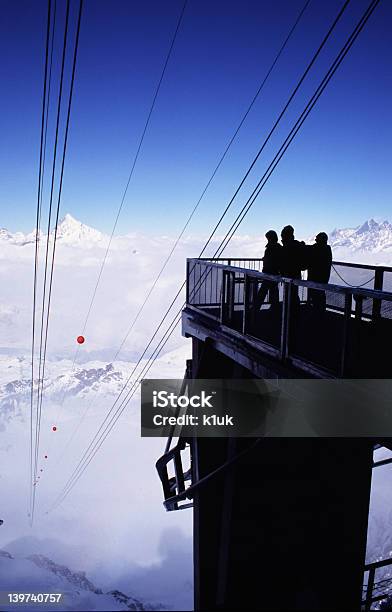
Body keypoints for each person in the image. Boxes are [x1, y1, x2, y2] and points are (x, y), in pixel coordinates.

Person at [280, 225, 307, 306]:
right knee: (293, 295)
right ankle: (293, 314)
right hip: (294, 274)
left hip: (289, 274)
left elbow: (286, 260)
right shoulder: (297, 245)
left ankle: (290, 314)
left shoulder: (288, 247)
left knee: (290, 295)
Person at [255, 230, 282, 309]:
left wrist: (266, 260)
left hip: (269, 273)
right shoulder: (278, 247)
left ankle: (256, 308)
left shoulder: (270, 247)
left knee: (263, 291)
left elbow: (271, 260)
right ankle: (274, 308)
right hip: (274, 272)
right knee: (273, 291)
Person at [307, 232, 332, 310]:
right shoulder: (327, 249)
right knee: (321, 297)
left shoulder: (315, 249)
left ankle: (315, 314)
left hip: (313, 278)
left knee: (314, 298)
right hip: (323, 279)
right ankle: (320, 315)